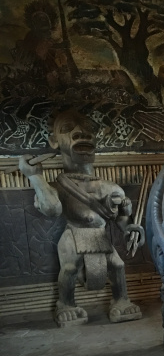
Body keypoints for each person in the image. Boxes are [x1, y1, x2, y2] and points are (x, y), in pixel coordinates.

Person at [18, 109, 144, 326]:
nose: (81, 133)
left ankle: (121, 300)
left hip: (100, 236)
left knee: (118, 265)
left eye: (88, 130)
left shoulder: (109, 187)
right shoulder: (59, 186)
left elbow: (122, 221)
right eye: (68, 129)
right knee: (69, 268)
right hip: (73, 234)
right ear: (54, 141)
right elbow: (52, 209)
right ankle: (66, 304)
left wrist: (130, 227)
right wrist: (35, 177)